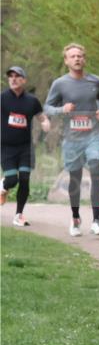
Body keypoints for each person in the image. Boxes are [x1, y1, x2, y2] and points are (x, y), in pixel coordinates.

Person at [44, 43, 99, 237]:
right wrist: (61, 110)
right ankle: (75, 218)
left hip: (93, 135)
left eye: (80, 56)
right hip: (72, 138)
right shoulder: (60, 84)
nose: (77, 59)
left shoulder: (94, 80)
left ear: (85, 59)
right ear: (66, 61)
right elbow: (47, 107)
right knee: (76, 178)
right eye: (72, 56)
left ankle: (97, 221)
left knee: (96, 168)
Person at [1, 66, 51, 226]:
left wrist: (45, 123)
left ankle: (19, 215)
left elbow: (41, 117)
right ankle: (3, 185)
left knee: (24, 179)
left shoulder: (32, 101)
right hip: (6, 147)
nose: (13, 79)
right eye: (11, 76)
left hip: (25, 147)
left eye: (17, 76)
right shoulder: (2, 98)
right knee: (12, 180)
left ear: (24, 80)